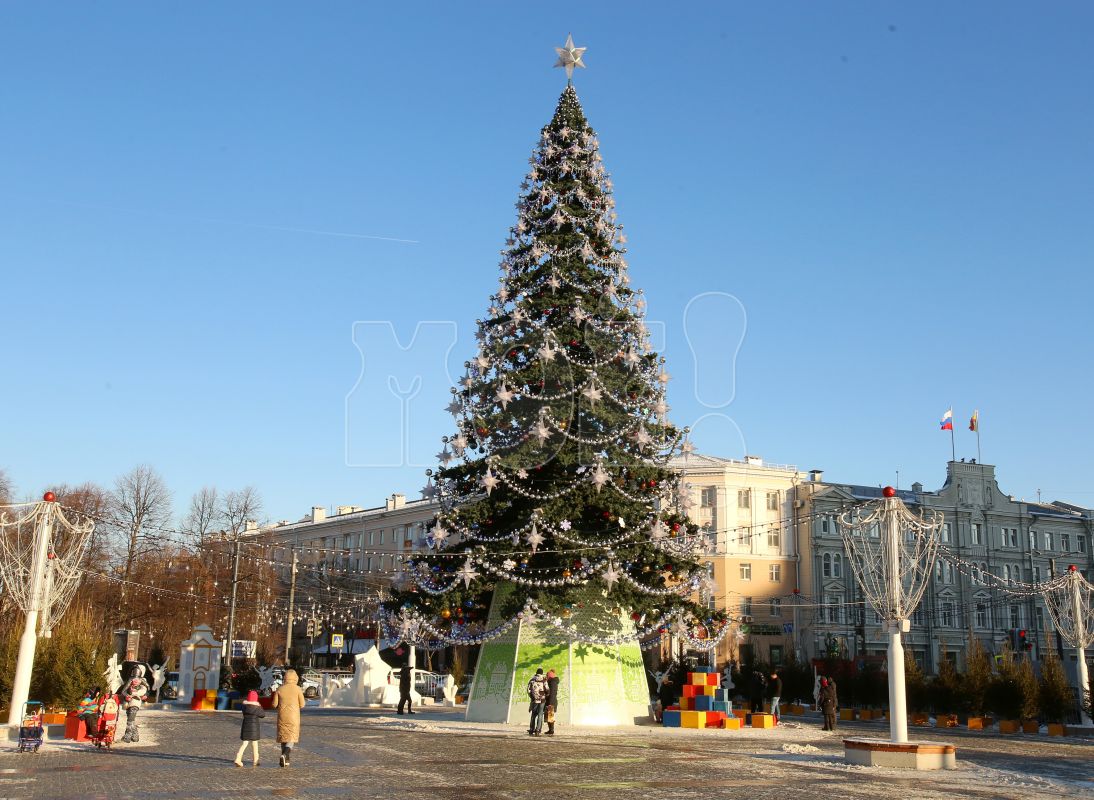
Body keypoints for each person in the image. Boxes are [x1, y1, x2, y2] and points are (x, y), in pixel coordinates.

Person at [272, 668, 306, 767]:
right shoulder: (298, 689)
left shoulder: (280, 689)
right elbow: (302, 704)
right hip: (294, 717)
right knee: (291, 737)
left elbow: (274, 704)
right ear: (295, 678)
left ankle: (286, 760)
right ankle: (285, 754)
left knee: (283, 737)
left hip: (282, 716)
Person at [234, 690, 265, 767]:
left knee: (244, 744)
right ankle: (256, 760)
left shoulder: (244, 707)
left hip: (245, 727)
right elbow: (263, 715)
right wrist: (259, 706)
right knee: (255, 744)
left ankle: (238, 758)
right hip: (254, 729)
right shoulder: (257, 708)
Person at [120, 666, 149, 743]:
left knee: (130, 720)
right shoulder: (130, 680)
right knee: (131, 720)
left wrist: (143, 695)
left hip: (135, 702)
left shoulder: (142, 681)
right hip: (128, 702)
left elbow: (146, 689)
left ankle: (127, 736)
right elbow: (123, 691)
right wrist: (127, 696)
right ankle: (135, 736)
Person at [527, 668, 548, 735]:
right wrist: (545, 695)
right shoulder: (544, 680)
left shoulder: (532, 680)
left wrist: (532, 697)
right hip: (542, 699)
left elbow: (528, 690)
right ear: (542, 673)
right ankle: (538, 730)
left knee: (533, 714)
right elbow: (547, 689)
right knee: (540, 714)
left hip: (535, 699)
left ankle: (531, 729)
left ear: (536, 672)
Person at [544, 669, 560, 736]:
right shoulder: (551, 682)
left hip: (551, 701)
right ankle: (550, 730)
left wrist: (550, 703)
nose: (546, 677)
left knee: (550, 716)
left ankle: (551, 730)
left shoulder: (552, 682)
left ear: (549, 676)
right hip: (550, 701)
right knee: (548, 717)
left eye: (547, 675)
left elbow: (552, 694)